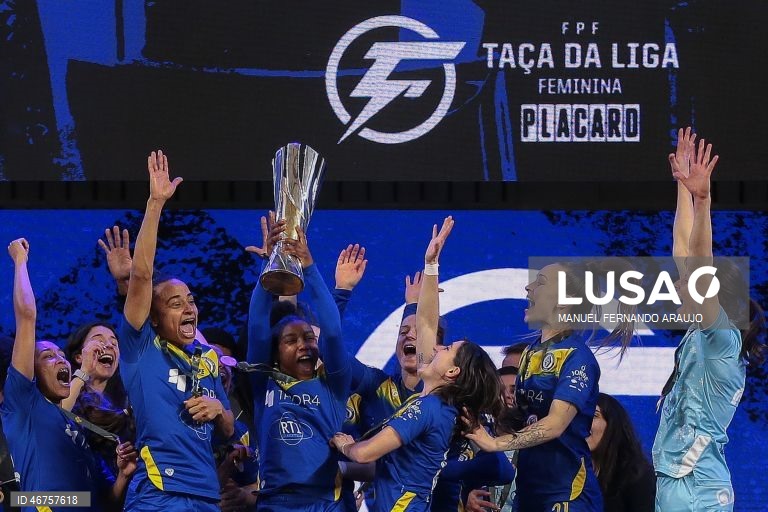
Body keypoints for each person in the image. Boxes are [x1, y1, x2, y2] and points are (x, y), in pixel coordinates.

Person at [330, 217, 504, 512]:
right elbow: (424, 325)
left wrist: (345, 444)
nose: (433, 347)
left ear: (451, 372)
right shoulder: (438, 404)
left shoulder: (429, 408)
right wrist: (431, 266)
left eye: (445, 348)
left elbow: (363, 454)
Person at [465, 256, 637, 512]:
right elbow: (524, 418)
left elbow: (556, 424)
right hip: (529, 493)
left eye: (540, 283)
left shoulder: (578, 358)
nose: (528, 288)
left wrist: (493, 443)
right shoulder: (530, 353)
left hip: (566, 495)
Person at [653, 128, 766, 511]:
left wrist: (704, 199)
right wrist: (684, 189)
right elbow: (684, 249)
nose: (679, 286)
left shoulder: (723, 339)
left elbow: (698, 268)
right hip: (682, 478)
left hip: (696, 486)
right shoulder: (701, 336)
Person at [119, 150, 234, 511]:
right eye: (174, 303)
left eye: (191, 300)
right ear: (153, 319)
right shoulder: (141, 347)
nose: (189, 308)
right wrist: (155, 204)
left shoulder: (208, 359)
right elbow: (141, 276)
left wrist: (218, 408)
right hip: (158, 493)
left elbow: (229, 431)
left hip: (205, 496)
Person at [2, 238, 138, 511]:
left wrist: (123, 475)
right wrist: (20, 262)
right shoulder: (23, 404)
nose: (60, 358)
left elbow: (100, 501)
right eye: (47, 356)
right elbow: (27, 317)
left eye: (60, 355)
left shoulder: (77, 428)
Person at [246, 216, 352, 511]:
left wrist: (310, 268)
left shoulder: (334, 384)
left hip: (323, 503)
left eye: (308, 337)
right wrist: (271, 267)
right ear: (276, 352)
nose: (304, 344)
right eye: (291, 340)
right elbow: (256, 328)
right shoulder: (262, 381)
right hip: (273, 503)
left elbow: (332, 330)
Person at [587, 393, 654, 512]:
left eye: (594, 415)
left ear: (612, 425)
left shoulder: (638, 476)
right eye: (580, 416)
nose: (583, 423)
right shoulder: (568, 472)